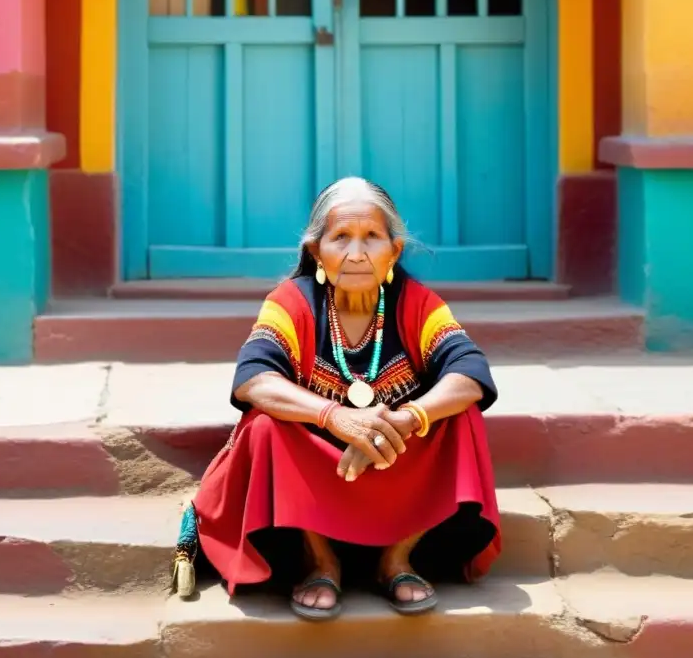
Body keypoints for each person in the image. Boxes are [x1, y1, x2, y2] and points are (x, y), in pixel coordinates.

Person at [172, 177, 501, 621]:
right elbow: (254, 378)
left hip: (396, 467)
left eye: (372, 237)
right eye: (340, 237)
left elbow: (470, 371)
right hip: (319, 474)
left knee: (460, 416)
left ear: (394, 251)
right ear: (315, 251)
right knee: (265, 422)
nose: (356, 253)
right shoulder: (292, 302)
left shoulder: (416, 303)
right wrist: (334, 417)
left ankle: (397, 559)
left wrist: (408, 418)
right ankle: (320, 561)